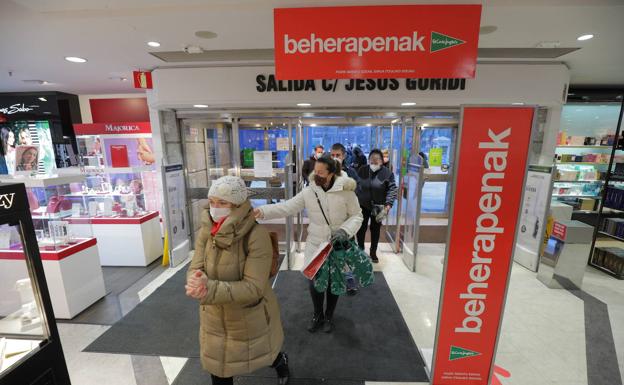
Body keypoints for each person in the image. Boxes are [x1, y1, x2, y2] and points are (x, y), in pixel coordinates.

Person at [185, 176, 289, 385]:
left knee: (265, 351)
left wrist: (209, 289)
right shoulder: (207, 230)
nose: (215, 208)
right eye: (212, 202)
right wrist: (195, 280)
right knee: (219, 367)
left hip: (249, 315)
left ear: (238, 204)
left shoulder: (255, 235)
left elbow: (253, 288)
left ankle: (280, 362)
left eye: (222, 203)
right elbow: (196, 265)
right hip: (213, 316)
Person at [254, 156, 362, 333]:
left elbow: (357, 215)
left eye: (321, 172)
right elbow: (288, 207)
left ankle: (329, 316)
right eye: (315, 171)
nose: (316, 175)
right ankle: (317, 314)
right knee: (315, 281)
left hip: (337, 244)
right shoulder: (310, 191)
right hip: (316, 243)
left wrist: (344, 231)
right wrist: (262, 211)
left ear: (332, 173)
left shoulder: (346, 191)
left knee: (333, 281)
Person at [355, 149, 398, 263]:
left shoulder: (387, 173)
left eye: (376, 160)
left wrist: (388, 204)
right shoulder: (362, 170)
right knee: (361, 228)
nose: (373, 163)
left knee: (375, 229)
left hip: (379, 205)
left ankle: (373, 251)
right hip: (362, 205)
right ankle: (360, 250)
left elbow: (392, 189)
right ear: (368, 160)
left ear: (382, 161)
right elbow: (356, 185)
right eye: (371, 161)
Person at [329, 143, 359, 295]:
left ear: (344, 156)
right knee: (331, 252)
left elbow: (357, 191)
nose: (335, 158)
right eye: (332, 155)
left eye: (338, 155)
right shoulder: (326, 172)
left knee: (346, 252)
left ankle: (349, 279)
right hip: (330, 220)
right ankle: (332, 277)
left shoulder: (351, 172)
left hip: (346, 220)